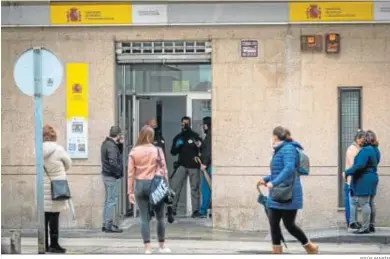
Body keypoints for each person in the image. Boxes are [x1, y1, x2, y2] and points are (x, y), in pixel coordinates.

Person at [259, 126, 318, 254]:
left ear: (275, 137)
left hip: (289, 193)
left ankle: (310, 247)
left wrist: (273, 183)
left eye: (272, 137)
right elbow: (279, 172)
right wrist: (266, 179)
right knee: (273, 223)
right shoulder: (279, 150)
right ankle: (277, 251)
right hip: (278, 193)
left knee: (289, 225)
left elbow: (289, 169)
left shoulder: (289, 149)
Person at [128, 125, 171, 254]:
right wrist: (166, 186)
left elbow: (130, 172)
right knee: (160, 217)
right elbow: (164, 170)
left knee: (144, 217)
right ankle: (162, 246)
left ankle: (147, 248)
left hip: (140, 185)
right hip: (156, 185)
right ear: (151, 137)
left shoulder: (134, 152)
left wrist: (129, 191)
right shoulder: (157, 150)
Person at [43, 125, 72, 253]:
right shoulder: (59, 150)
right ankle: (54, 244)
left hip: (43, 186)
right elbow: (68, 164)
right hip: (57, 185)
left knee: (44, 217)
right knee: (54, 216)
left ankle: (43, 244)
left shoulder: (37, 150)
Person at [344, 130, 380, 234]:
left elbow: (359, 165)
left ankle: (365, 228)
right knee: (370, 202)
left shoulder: (365, 150)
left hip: (365, 179)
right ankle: (371, 225)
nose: (362, 139)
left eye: (364, 137)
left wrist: (347, 172)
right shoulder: (375, 150)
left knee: (364, 203)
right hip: (373, 177)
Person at [170, 116, 202, 217]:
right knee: (175, 187)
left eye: (187, 123)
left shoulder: (195, 136)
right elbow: (173, 152)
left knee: (195, 188)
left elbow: (201, 148)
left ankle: (195, 210)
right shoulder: (178, 137)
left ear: (190, 123)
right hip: (182, 165)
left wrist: (198, 144)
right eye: (183, 123)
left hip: (193, 166)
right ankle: (172, 209)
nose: (185, 125)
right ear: (181, 124)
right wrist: (177, 146)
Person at [101, 126, 124, 233]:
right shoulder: (111, 146)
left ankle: (106, 223)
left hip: (107, 175)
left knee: (108, 200)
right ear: (118, 135)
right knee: (111, 201)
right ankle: (108, 225)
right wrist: (118, 173)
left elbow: (116, 155)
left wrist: (121, 145)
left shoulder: (107, 143)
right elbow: (113, 162)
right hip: (111, 176)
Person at [344, 130, 365, 230]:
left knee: (353, 203)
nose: (363, 142)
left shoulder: (358, 148)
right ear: (357, 139)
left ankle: (353, 223)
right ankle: (351, 224)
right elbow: (353, 166)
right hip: (350, 181)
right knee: (350, 204)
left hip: (353, 180)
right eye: (362, 140)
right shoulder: (352, 149)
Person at [198, 116, 212, 218]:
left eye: (203, 125)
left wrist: (204, 164)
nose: (203, 127)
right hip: (210, 164)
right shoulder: (210, 135)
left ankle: (203, 211)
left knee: (206, 188)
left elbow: (208, 151)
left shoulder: (210, 136)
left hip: (208, 166)